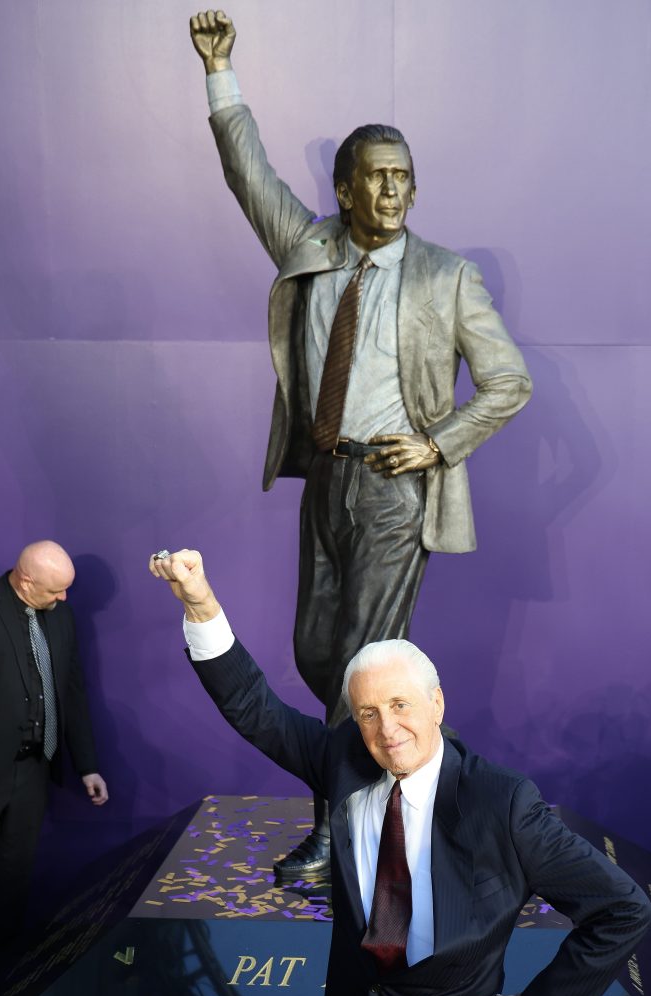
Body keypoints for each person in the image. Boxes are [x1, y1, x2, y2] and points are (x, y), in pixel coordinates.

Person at [189, 10, 533, 877]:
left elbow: (509, 382)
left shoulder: (447, 275)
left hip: (392, 488)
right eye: (375, 177)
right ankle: (398, 795)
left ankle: (338, 829)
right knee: (318, 654)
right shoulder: (309, 245)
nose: (391, 191)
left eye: (402, 177)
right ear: (344, 190)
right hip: (325, 479)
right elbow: (247, 175)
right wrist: (220, 74)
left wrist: (438, 444)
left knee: (361, 661)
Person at [150, 548, 651, 996]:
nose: (387, 730)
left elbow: (623, 910)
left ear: (437, 703)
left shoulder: (502, 802)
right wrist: (200, 603)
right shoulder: (342, 761)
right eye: (367, 713)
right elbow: (252, 707)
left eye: (400, 705)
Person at [0, 541, 108, 949]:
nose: (63, 598)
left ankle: (3, 964)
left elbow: (72, 693)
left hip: (32, 769)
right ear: (26, 581)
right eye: (55, 590)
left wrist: (87, 765)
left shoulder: (62, 617)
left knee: (14, 875)